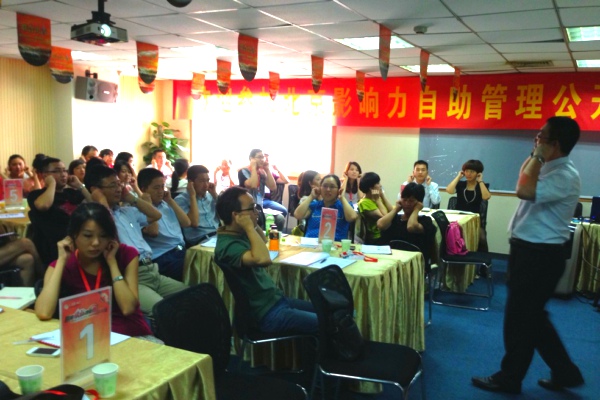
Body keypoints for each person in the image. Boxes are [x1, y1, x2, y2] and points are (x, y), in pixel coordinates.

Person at [472, 117, 584, 394]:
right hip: (530, 253)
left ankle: (510, 378)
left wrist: (537, 156)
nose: (536, 138)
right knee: (532, 319)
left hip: (540, 257)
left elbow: (522, 190)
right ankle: (566, 372)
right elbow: (522, 177)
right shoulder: (548, 167)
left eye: (541, 136)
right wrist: (536, 154)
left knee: (520, 321)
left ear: (554, 144)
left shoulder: (564, 175)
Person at [34, 203, 153, 338]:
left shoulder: (125, 255)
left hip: (130, 335)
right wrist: (61, 261)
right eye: (87, 235)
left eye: (103, 236)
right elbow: (44, 312)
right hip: (88, 337)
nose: (96, 242)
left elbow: (128, 308)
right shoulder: (62, 265)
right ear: (73, 235)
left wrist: (112, 263)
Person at [84, 165, 187, 316]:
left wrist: (130, 197)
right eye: (113, 185)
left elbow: (155, 215)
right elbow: (111, 235)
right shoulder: (92, 218)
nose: (118, 189)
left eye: (119, 184)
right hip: (132, 277)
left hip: (152, 271)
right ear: (96, 190)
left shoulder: (126, 211)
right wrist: (101, 201)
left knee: (190, 295)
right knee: (164, 311)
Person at [214, 186, 318, 334]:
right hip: (266, 313)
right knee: (327, 323)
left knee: (327, 311)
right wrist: (249, 228)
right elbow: (263, 259)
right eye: (252, 208)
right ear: (236, 215)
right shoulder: (228, 246)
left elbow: (263, 241)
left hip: (275, 301)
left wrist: (252, 224)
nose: (257, 212)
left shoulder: (237, 233)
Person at [28, 157, 92, 265]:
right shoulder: (36, 195)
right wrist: (52, 184)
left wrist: (80, 186)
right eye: (57, 171)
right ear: (45, 175)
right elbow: (43, 205)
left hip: (81, 238)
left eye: (64, 170)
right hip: (57, 245)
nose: (63, 174)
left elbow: (96, 206)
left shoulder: (71, 193)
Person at [138, 168, 192, 281]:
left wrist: (171, 201)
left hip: (182, 251)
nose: (161, 191)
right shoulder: (138, 210)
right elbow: (153, 232)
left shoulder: (166, 204)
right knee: (198, 270)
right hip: (164, 258)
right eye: (156, 188)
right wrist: (148, 204)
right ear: (143, 189)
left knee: (210, 262)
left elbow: (186, 223)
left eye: (162, 186)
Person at [377, 182, 437, 261]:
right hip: (391, 259)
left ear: (419, 203)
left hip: (414, 262)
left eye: (411, 201)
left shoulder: (425, 221)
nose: (407, 203)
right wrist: (396, 209)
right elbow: (380, 225)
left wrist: (416, 210)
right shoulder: (395, 218)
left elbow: (411, 227)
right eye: (404, 200)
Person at [294, 174, 357, 241]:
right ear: (320, 188)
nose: (328, 189)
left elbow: (352, 217)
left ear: (338, 190)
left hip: (335, 245)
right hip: (311, 243)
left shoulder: (343, 206)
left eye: (332, 187)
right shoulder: (314, 205)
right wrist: (311, 197)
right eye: (325, 186)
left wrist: (342, 198)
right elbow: (297, 215)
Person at [446, 159, 492, 252]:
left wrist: (480, 181)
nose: (468, 174)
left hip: (474, 221)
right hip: (458, 220)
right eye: (466, 171)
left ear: (478, 173)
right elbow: (449, 190)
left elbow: (486, 197)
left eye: (472, 171)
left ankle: (484, 259)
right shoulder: (461, 184)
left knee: (482, 237)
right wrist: (458, 177)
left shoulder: (482, 185)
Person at [174, 165, 217, 247]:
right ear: (191, 183)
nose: (206, 185)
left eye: (207, 181)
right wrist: (192, 196)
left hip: (218, 235)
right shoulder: (181, 200)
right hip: (202, 240)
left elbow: (225, 217)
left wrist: (215, 196)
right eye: (202, 181)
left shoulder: (210, 196)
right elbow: (194, 223)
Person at [357, 172, 394, 244]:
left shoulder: (376, 198)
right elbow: (385, 217)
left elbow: (392, 212)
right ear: (371, 188)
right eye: (378, 183)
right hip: (376, 238)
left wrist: (382, 195)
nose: (380, 185)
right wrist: (378, 200)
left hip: (386, 233)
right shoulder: (364, 203)